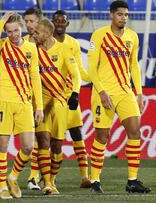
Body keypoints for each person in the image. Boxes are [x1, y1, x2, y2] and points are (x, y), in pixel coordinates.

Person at [87, 0, 151, 194]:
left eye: (126, 15)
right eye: (120, 14)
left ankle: (132, 181)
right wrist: (102, 91)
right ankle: (95, 180)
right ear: (111, 15)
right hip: (103, 93)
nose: (123, 18)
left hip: (125, 92)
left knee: (135, 130)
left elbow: (134, 66)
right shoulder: (99, 35)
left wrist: (139, 92)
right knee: (102, 136)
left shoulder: (132, 37)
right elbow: (91, 69)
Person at [0, 12, 44, 199]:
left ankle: (13, 177)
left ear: (22, 28)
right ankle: (2, 185)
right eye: (9, 31)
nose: (13, 34)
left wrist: (39, 107)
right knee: (2, 146)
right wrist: (2, 21)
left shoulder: (31, 48)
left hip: (24, 103)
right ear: (5, 32)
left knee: (28, 147)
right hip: (3, 101)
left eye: (16, 30)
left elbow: (35, 77)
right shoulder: (1, 46)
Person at [33, 18, 81, 195]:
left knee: (57, 146)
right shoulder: (32, 49)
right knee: (43, 141)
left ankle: (52, 179)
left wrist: (75, 93)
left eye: (37, 32)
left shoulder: (64, 50)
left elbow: (76, 75)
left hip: (60, 102)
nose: (33, 34)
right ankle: (46, 182)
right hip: (40, 102)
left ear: (46, 33)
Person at [51, 10, 92, 188]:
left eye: (63, 21)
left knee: (77, 134)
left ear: (67, 24)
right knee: (50, 141)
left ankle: (84, 176)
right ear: (52, 23)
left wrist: (95, 78)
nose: (60, 23)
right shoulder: (44, 43)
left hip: (69, 96)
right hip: (50, 98)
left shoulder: (73, 43)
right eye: (57, 21)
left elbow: (79, 72)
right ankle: (46, 178)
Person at [23, 7, 43, 190]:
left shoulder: (48, 42)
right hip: (29, 97)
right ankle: (33, 177)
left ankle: (45, 176)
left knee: (50, 140)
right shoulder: (21, 43)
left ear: (40, 21)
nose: (29, 25)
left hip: (52, 96)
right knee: (36, 137)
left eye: (32, 21)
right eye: (26, 21)